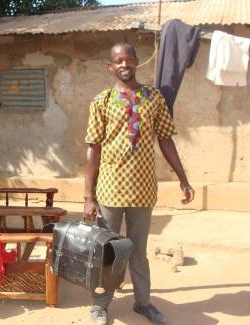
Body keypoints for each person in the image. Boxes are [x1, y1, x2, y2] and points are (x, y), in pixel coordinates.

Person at [84, 42, 195, 325]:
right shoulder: (102, 101)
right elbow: (93, 148)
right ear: (111, 66)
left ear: (136, 62)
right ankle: (100, 305)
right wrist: (88, 196)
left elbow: (166, 139)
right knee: (108, 251)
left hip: (143, 190)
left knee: (139, 252)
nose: (124, 65)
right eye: (118, 61)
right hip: (110, 189)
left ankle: (143, 303)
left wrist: (183, 178)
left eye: (129, 60)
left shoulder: (153, 98)